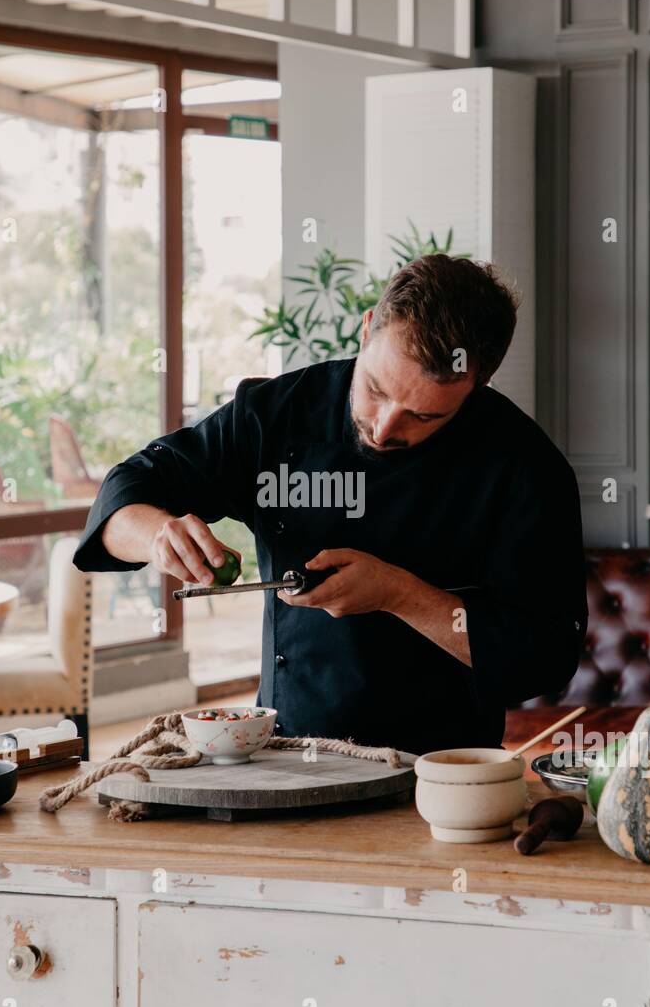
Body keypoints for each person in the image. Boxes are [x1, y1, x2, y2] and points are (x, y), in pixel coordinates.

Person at [75, 255, 588, 755]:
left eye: (423, 416)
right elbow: (125, 490)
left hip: (440, 774)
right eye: (375, 389)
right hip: (285, 753)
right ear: (366, 330)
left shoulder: (525, 466)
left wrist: (397, 593)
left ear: (477, 387)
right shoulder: (275, 416)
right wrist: (158, 535)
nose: (385, 427)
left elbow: (541, 656)